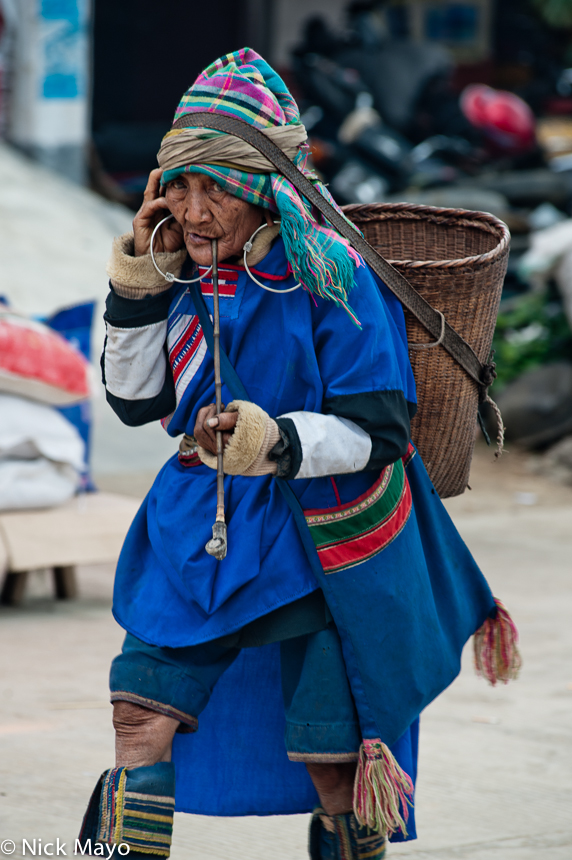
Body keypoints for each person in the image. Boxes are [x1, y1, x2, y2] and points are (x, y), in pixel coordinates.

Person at [78, 48, 519, 860]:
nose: (195, 209)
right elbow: (136, 401)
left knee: (331, 761)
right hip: (200, 529)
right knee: (139, 711)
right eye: (179, 185)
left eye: (218, 188)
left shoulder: (335, 278)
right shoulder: (178, 274)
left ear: (269, 190)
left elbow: (378, 432)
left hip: (321, 539)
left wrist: (272, 441)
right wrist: (137, 282)